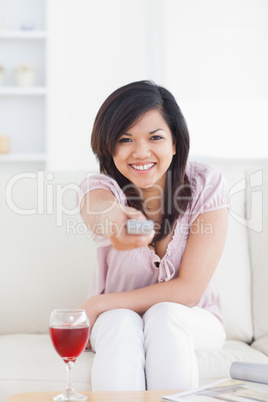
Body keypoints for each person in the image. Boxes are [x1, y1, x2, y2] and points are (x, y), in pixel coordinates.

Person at [78, 80, 228, 391]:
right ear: (109, 146)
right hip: (114, 319)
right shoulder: (99, 188)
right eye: (125, 139)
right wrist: (121, 223)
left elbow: (188, 291)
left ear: (175, 143)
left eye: (155, 137)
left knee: (165, 314)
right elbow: (103, 212)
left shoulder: (207, 184)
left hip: (193, 318)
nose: (141, 152)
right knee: (121, 321)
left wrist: (98, 304)